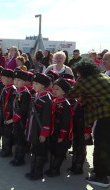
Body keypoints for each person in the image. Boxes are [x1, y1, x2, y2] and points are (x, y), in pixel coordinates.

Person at [66, 59, 110, 188]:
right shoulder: (102, 75)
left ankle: (101, 177)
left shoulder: (84, 80)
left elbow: (70, 94)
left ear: (81, 72)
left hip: (105, 116)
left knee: (101, 146)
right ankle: (105, 170)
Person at [25, 73, 52, 181]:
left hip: (40, 130)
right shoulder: (36, 95)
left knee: (39, 152)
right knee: (34, 150)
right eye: (33, 83)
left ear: (43, 85)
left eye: (36, 83)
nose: (33, 85)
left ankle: (38, 173)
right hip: (33, 129)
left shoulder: (46, 99)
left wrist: (44, 134)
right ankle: (32, 170)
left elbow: (47, 118)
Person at [45, 78, 73, 177]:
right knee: (53, 150)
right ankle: (51, 168)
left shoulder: (66, 105)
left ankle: (55, 170)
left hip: (61, 133)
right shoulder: (54, 101)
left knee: (59, 152)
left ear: (64, 91)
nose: (54, 91)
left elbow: (65, 122)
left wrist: (62, 135)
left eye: (57, 89)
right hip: (54, 131)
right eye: (53, 88)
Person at [5, 69, 30, 166]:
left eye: (19, 80)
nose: (16, 82)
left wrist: (14, 119)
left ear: (24, 82)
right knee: (16, 139)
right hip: (14, 120)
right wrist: (9, 115)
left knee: (20, 141)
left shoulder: (26, 93)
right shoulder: (16, 91)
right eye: (15, 80)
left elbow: (23, 109)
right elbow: (12, 106)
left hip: (21, 121)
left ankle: (20, 159)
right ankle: (16, 157)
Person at [0, 69, 16, 157]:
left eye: (4, 78)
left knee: (7, 133)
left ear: (10, 79)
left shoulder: (12, 89)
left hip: (8, 114)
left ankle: (7, 150)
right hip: (3, 114)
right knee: (4, 132)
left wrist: (8, 115)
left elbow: (11, 104)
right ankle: (4, 148)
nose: (2, 79)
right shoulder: (5, 87)